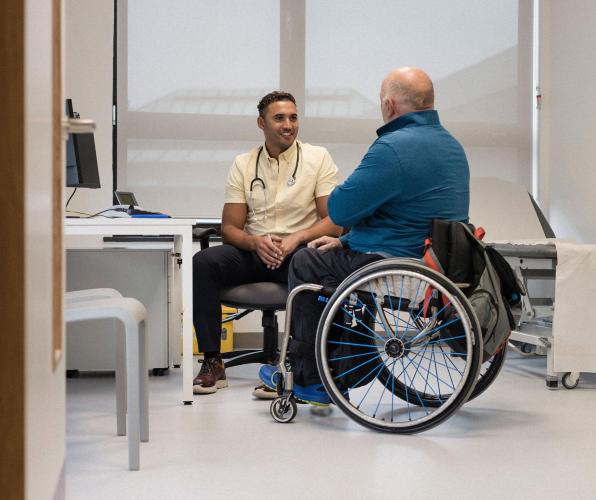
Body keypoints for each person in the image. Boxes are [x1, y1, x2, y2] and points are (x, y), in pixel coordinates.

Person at [257, 67, 470, 405]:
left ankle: (312, 378)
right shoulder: (451, 146)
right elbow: (403, 213)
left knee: (306, 262)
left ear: (389, 104)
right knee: (331, 255)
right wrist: (343, 241)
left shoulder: (394, 147)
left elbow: (340, 210)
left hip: (392, 263)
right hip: (433, 263)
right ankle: (341, 366)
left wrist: (343, 221)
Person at [192, 91, 341, 396]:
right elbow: (230, 228)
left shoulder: (317, 158)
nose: (288, 124)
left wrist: (295, 239)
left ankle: (290, 365)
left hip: (297, 252)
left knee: (308, 263)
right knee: (203, 263)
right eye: (279, 118)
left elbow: (334, 222)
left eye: (293, 117)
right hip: (255, 252)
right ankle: (212, 361)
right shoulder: (243, 164)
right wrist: (255, 242)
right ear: (261, 123)